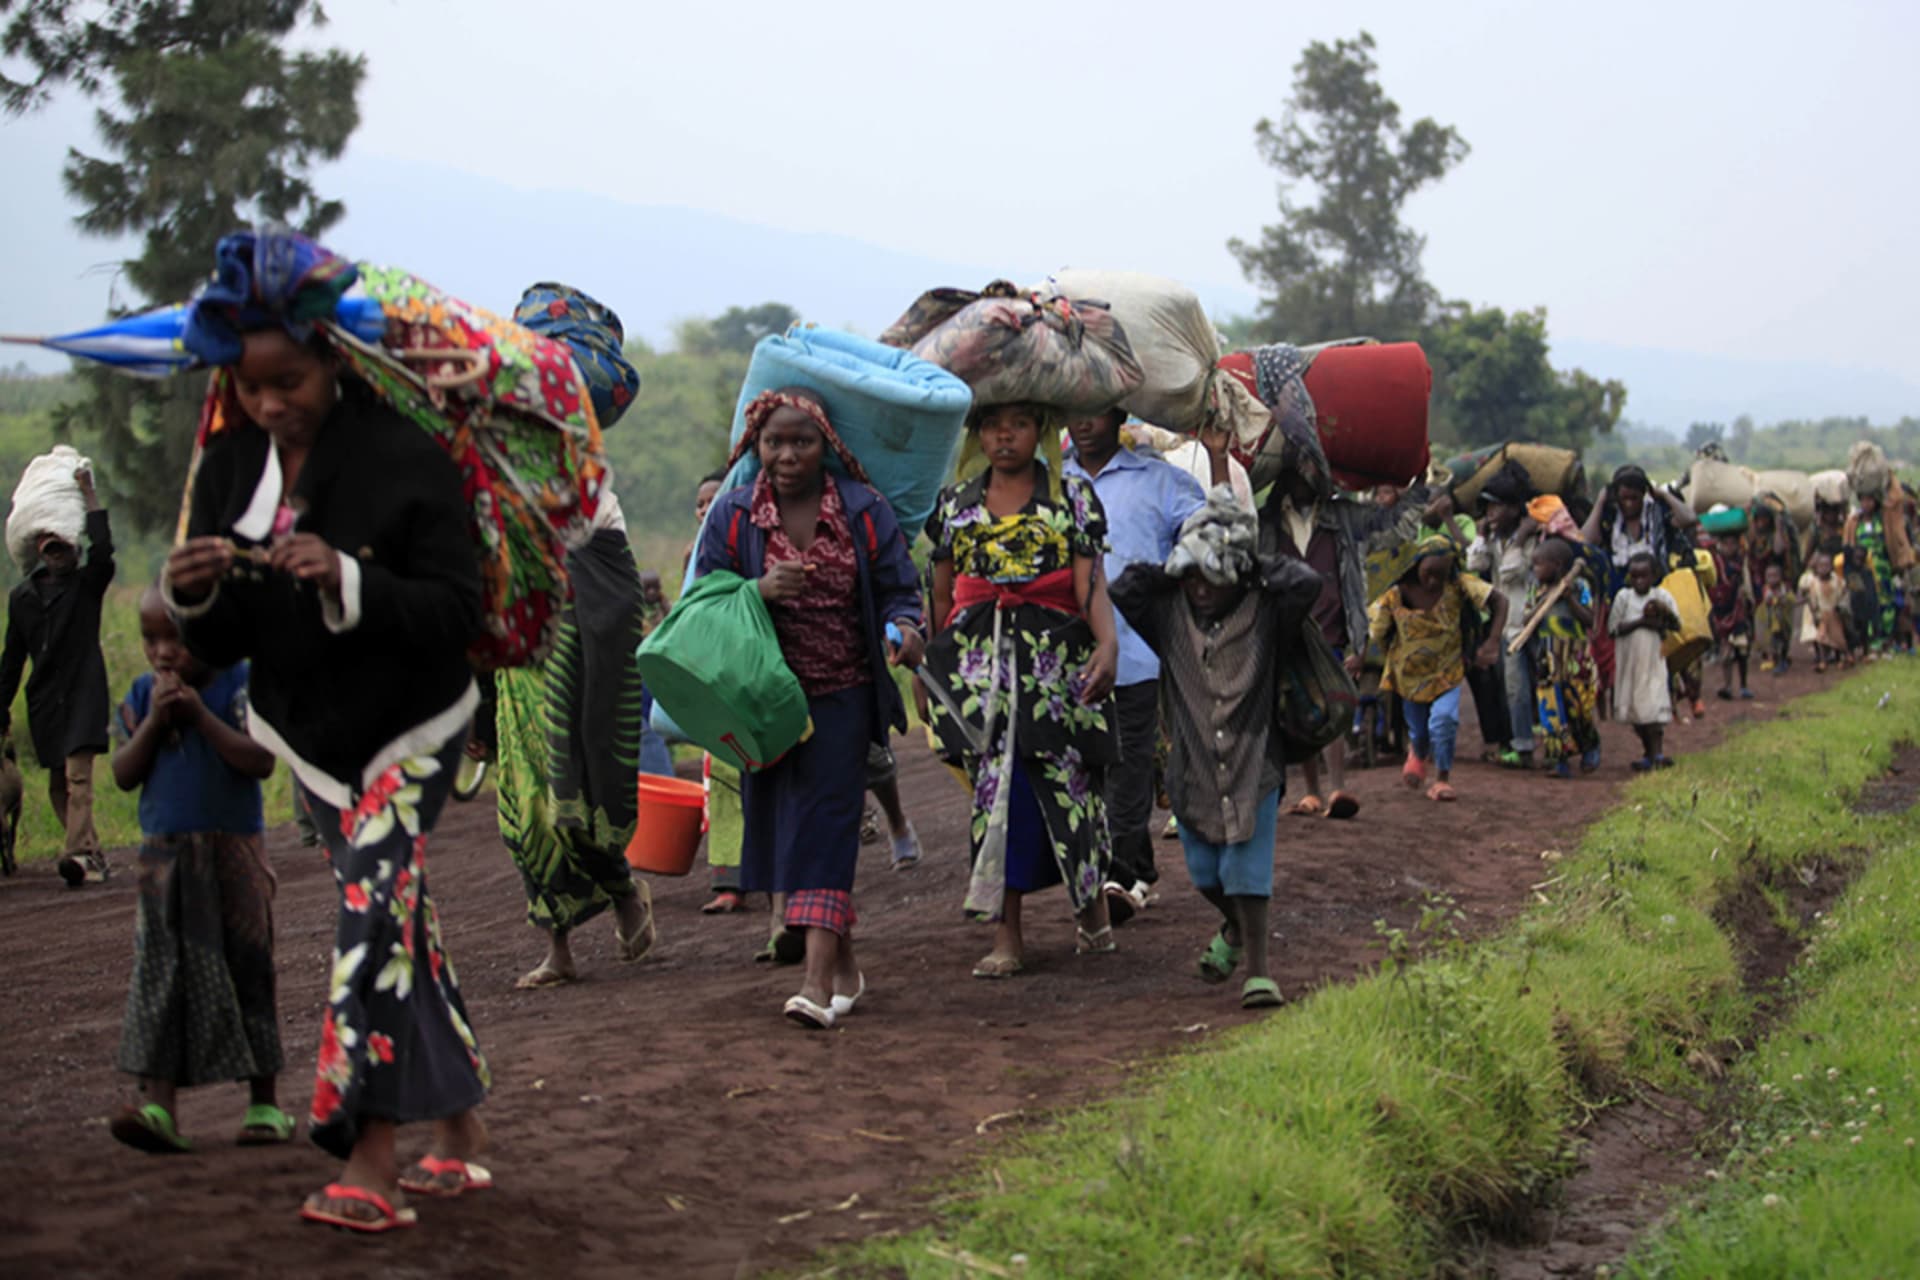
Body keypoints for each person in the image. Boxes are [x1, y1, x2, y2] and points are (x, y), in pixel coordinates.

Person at [165, 230, 490, 1232]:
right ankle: (459, 1129)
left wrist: (347, 578)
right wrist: (195, 600)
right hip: (309, 738)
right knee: (397, 920)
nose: (271, 402)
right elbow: (221, 642)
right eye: (252, 385)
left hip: (416, 727)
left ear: (333, 358)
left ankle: (368, 1160)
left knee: (369, 919)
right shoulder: (226, 469)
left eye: (289, 380)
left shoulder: (409, 457)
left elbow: (458, 609)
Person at [693, 387, 924, 1028]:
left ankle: (817, 986)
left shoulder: (862, 510)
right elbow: (703, 602)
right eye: (775, 441)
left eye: (803, 441)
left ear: (828, 446)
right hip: (763, 704)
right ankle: (846, 966)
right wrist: (757, 590)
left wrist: (906, 630)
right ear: (755, 447)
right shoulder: (735, 517)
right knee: (787, 835)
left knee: (825, 829)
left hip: (843, 699)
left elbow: (900, 588)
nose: (788, 453)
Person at [493, 284, 659, 990]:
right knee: (525, 803)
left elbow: (614, 590)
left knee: (577, 794)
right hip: (519, 658)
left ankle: (622, 889)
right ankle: (557, 948)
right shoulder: (494, 471)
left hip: (577, 651)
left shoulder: (592, 487)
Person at [922, 401, 1119, 978]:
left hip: (1056, 663)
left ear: (1043, 431)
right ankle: (1007, 936)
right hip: (978, 667)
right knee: (994, 793)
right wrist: (930, 671)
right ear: (977, 434)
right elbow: (940, 595)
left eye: (1019, 424)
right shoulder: (955, 505)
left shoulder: (1072, 499)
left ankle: (1091, 907)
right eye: (991, 424)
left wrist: (1107, 647)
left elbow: (1090, 586)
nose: (1004, 435)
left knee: (1070, 785)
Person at [1111, 491, 1319, 1009]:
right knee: (1207, 873)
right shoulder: (1166, 611)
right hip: (1192, 765)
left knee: (1246, 872)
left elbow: (1306, 583)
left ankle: (1258, 972)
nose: (1201, 588)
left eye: (1213, 577)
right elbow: (1125, 587)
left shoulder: (1267, 609)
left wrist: (1246, 561)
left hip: (1256, 762)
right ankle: (1232, 927)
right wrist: (1179, 565)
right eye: (1193, 578)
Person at [107, 587, 288, 1154]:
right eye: (151, 639)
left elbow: (259, 760)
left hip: (233, 852)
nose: (163, 653)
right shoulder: (143, 696)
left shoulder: (240, 686)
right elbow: (123, 774)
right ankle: (160, 1106)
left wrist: (200, 717)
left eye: (177, 639)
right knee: (164, 975)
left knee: (248, 969)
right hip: (165, 857)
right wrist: (157, 723)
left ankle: (264, 1105)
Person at [1064, 403, 1224, 922]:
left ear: (1117, 415)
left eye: (1092, 413)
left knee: (1128, 763)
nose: (1082, 422)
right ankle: (1134, 866)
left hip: (1137, 651)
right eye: (1071, 414)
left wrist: (1219, 462)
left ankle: (1121, 874)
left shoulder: (1160, 480)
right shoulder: (1049, 482)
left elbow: (1213, 537)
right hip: (1064, 654)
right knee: (1083, 770)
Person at [0, 460, 114, 886]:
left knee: (78, 777)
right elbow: (12, 659)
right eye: (48, 545)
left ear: (74, 547)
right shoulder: (22, 598)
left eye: (62, 544)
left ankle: (74, 853)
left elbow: (104, 550)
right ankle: (93, 857)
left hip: (84, 693)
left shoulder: (88, 586)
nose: (56, 551)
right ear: (38, 549)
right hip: (46, 700)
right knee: (56, 785)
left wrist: (89, 496)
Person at [1366, 536, 1508, 802]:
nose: (1433, 581)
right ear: (1416, 565)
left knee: (1444, 721)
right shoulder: (1395, 594)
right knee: (1419, 731)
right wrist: (1368, 658)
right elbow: (1376, 631)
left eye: (1440, 576)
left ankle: (1442, 779)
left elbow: (1500, 601)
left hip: (1448, 671)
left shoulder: (1459, 585)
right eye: (1428, 573)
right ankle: (1418, 754)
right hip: (1409, 677)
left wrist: (1492, 640)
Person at [1582, 465, 1702, 716]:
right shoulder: (1609, 517)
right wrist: (1601, 501)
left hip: (1654, 590)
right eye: (1623, 498)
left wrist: (1663, 495)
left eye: (1634, 498)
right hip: (1618, 593)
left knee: (1656, 649)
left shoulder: (1657, 513)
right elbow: (1587, 539)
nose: (1628, 504)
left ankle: (1662, 704)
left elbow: (1689, 519)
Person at [1467, 462, 1541, 769]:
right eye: (1489, 507)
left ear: (1514, 509)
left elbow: (1513, 572)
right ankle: (1519, 743)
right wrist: (1482, 536)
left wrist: (1521, 540)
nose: (1491, 512)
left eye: (1497, 506)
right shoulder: (1495, 539)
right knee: (1512, 686)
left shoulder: (1533, 537)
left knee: (1528, 685)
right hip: (1506, 624)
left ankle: (1529, 743)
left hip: (1528, 620)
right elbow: (1474, 562)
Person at [1525, 538, 1602, 778]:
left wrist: (1568, 598)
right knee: (1550, 709)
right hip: (1546, 654)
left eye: (1539, 565)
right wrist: (1545, 601)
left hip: (1574, 654)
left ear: (1557, 565)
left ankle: (1590, 746)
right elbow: (1527, 621)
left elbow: (1590, 620)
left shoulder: (1578, 586)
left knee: (1578, 705)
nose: (1535, 570)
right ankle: (1558, 759)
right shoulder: (1536, 589)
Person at [1611, 551, 1680, 769]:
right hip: (1630, 661)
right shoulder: (1624, 597)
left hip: (1654, 661)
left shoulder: (1662, 597)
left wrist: (1661, 622)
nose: (1639, 581)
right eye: (1635, 576)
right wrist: (1641, 622)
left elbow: (1676, 625)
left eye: (1644, 576)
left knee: (1653, 708)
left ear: (1654, 576)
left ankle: (1658, 754)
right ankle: (1648, 752)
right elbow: (1614, 627)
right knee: (1635, 712)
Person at [1701, 528, 1755, 701]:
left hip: (1738, 612)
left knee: (1742, 651)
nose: (1729, 547)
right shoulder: (1716, 562)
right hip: (1721, 611)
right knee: (1726, 653)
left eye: (1733, 544)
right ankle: (1728, 686)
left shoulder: (1741, 563)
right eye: (1726, 544)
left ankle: (1744, 685)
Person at [1844, 491, 1898, 655]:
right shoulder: (1854, 522)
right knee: (1862, 602)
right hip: (1860, 569)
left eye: (1869, 500)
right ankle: (1865, 641)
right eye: (1863, 500)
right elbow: (1848, 545)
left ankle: (1884, 638)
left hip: (1881, 568)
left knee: (1884, 601)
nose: (1866, 504)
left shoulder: (1882, 520)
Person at [1798, 550, 1851, 672]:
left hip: (1834, 613)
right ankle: (1823, 661)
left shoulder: (1837, 580)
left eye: (1827, 566)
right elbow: (1811, 598)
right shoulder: (1813, 583)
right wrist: (1813, 610)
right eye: (1821, 566)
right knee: (1821, 638)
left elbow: (1843, 593)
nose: (1824, 569)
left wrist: (1841, 607)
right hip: (1821, 615)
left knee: (1838, 637)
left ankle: (1844, 656)